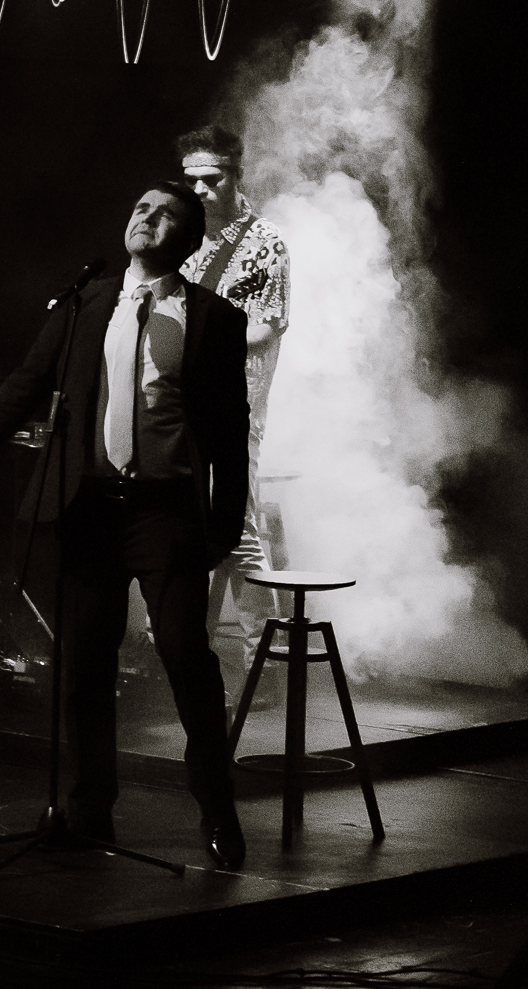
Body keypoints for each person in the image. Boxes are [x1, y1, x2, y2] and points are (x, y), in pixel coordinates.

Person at [0, 182, 251, 869]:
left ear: (189, 240)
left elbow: (229, 432)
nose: (146, 217)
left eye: (164, 213)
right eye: (140, 207)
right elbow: (22, 387)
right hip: (91, 508)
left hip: (166, 511)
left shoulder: (214, 319)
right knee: (84, 667)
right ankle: (87, 808)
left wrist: (222, 527)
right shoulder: (85, 303)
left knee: (186, 657)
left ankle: (218, 808)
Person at [173, 126, 291, 687]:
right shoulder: (184, 238)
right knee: (187, 525)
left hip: (235, 403)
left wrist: (199, 342)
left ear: (236, 175)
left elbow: (268, 326)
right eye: (190, 179)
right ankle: (183, 655)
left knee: (239, 532)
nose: (199, 189)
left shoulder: (265, 241)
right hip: (183, 400)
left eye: (211, 178)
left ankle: (261, 664)